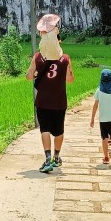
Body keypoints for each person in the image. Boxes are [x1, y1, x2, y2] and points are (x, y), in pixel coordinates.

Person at [26, 23, 75, 173]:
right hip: (59, 101)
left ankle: (47, 160)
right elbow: (70, 79)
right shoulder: (65, 58)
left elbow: (29, 76)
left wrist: (36, 74)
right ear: (57, 41)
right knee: (59, 130)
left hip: (42, 101)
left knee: (45, 129)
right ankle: (56, 157)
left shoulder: (38, 57)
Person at [90, 68, 111, 168]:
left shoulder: (98, 91)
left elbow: (95, 106)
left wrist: (92, 119)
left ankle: (105, 157)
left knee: (104, 138)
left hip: (103, 119)